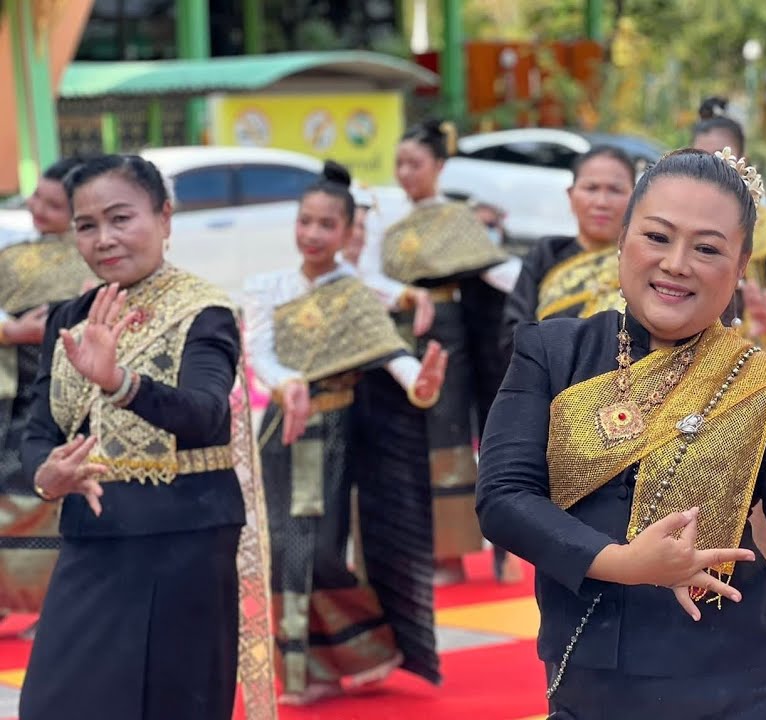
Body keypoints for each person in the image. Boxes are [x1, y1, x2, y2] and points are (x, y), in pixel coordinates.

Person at [477, 148, 766, 719]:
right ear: (623, 241)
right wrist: (623, 563)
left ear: (741, 268)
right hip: (590, 682)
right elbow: (502, 499)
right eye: (658, 237)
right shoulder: (552, 352)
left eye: (708, 248)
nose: (677, 263)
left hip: (740, 688)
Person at [19, 154, 275, 720]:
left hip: (183, 540)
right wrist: (46, 474)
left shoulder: (204, 311)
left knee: (170, 705)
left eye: (120, 218)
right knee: (55, 705)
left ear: (164, 218)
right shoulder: (69, 315)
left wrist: (119, 381)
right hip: (95, 537)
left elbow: (206, 415)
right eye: (87, 226)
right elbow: (39, 428)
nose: (104, 239)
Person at [243, 161, 448, 706]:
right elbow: (258, 352)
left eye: (326, 225)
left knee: (319, 550)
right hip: (283, 433)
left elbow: (392, 356)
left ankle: (362, 648)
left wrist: (421, 385)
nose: (312, 234)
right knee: (283, 549)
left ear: (348, 232)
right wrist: (287, 385)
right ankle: (311, 671)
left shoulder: (356, 293)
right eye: (305, 221)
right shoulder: (269, 287)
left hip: (335, 435)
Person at [359, 118, 519, 584]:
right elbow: (368, 274)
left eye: (416, 164)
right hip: (401, 330)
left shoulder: (457, 218)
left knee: (446, 434)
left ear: (439, 166)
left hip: (450, 334)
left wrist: (537, 288)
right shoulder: (389, 221)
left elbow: (493, 271)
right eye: (400, 165)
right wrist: (407, 295)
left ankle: (453, 552)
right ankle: (419, 546)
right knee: (407, 438)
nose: (406, 173)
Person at [0, 157, 95, 631]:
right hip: (10, 395)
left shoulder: (92, 263)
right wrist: (11, 330)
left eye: (52, 204)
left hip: (62, 399)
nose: (36, 208)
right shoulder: (12, 254)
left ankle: (48, 605)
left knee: (46, 501)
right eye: (36, 196)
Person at [690, 96, 766, 371]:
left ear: (742, 162)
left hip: (760, 351)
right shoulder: (675, 225)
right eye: (700, 159)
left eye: (723, 159)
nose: (711, 170)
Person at [501, 145, 635, 359]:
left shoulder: (643, 261)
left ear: (635, 198)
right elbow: (515, 334)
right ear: (571, 195)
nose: (601, 202)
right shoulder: (547, 254)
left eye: (615, 190)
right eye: (591, 188)